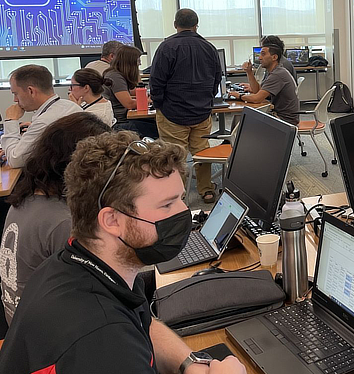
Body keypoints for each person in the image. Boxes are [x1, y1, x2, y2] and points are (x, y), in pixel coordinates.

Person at [0, 131, 246, 374]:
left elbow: (143, 324)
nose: (183, 213)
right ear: (112, 220)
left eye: (182, 198)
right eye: (167, 205)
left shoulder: (77, 264)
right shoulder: (103, 340)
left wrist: (190, 363)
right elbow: (116, 338)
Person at [0, 113, 110, 324]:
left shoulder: (25, 200)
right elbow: (97, 292)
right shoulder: (63, 221)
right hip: (51, 333)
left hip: (21, 321)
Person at [148, 8, 222, 204]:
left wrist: (159, 104)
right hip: (202, 112)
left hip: (172, 112)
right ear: (196, 25)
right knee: (202, 152)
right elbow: (216, 79)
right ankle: (206, 190)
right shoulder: (210, 48)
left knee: (173, 155)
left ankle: (177, 194)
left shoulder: (166, 47)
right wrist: (207, 100)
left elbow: (156, 81)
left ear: (175, 24)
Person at [0, 65, 82, 168]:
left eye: (16, 94)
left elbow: (15, 160)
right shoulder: (70, 106)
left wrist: (11, 120)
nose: (15, 100)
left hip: (53, 180)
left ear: (31, 91)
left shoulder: (45, 122)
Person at [229, 35, 299, 125]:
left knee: (240, 120)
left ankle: (233, 139)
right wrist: (249, 72)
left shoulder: (278, 74)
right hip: (278, 116)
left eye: (263, 54)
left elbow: (257, 98)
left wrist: (239, 96)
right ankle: (232, 139)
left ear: (274, 57)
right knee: (238, 118)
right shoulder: (274, 71)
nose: (259, 58)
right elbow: (257, 91)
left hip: (284, 121)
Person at [103, 44, 159, 139]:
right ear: (130, 62)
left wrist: (136, 75)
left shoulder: (118, 74)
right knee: (157, 130)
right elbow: (129, 103)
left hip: (123, 119)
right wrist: (149, 101)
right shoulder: (115, 77)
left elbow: (134, 91)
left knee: (155, 123)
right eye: (138, 60)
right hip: (119, 123)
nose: (140, 63)